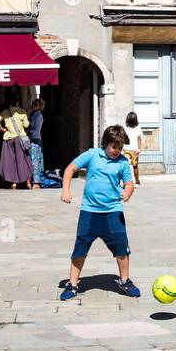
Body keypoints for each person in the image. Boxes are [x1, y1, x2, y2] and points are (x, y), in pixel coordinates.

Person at [59, 125, 140, 299]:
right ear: (105, 143)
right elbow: (69, 169)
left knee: (122, 249)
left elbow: (129, 183)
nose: (116, 151)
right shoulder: (92, 155)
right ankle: (72, 284)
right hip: (89, 212)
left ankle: (124, 281)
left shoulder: (123, 163)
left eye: (120, 147)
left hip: (113, 212)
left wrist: (128, 192)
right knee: (80, 249)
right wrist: (65, 190)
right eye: (113, 147)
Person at [0, 93, 34, 189]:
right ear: (18, 101)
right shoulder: (22, 112)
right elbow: (26, 125)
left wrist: (3, 129)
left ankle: (13, 183)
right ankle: (28, 182)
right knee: (24, 159)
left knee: (10, 160)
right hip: (20, 139)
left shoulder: (4, 112)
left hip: (9, 139)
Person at [123, 111, 143, 185]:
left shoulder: (125, 127)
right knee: (135, 167)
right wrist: (139, 149)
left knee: (126, 167)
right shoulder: (138, 127)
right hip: (135, 150)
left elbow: (123, 138)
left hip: (126, 149)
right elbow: (139, 139)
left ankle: (126, 183)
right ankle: (137, 181)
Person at [28, 98, 45, 179]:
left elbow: (36, 129)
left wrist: (28, 132)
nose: (33, 106)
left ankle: (36, 180)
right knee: (31, 159)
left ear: (40, 106)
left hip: (35, 139)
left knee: (35, 160)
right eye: (33, 104)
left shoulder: (39, 116)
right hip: (31, 139)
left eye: (36, 104)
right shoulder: (32, 114)